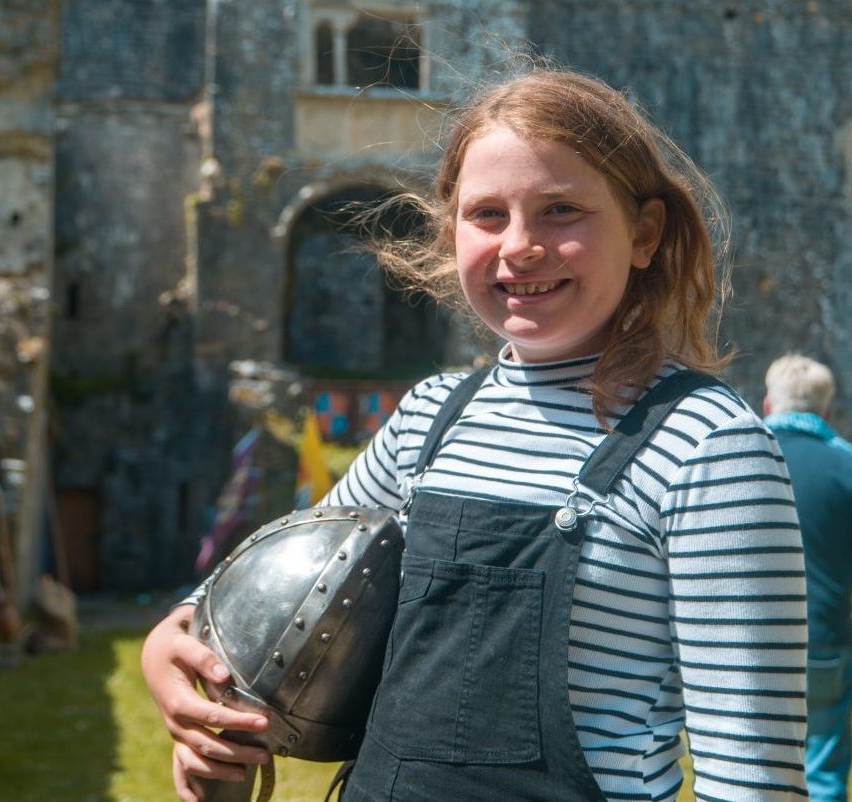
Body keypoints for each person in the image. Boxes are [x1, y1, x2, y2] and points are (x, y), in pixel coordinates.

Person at [143, 67, 809, 801]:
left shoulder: (708, 445)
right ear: (449, 229)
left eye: (562, 211)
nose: (520, 246)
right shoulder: (428, 418)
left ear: (645, 234)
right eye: (487, 214)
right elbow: (284, 586)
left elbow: (752, 776)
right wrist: (175, 645)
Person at [761, 353, 852, 802]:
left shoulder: (739, 455)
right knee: (822, 773)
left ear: (767, 404)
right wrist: (848, 573)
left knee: (748, 770)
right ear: (828, 411)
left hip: (748, 638)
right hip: (824, 632)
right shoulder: (851, 466)